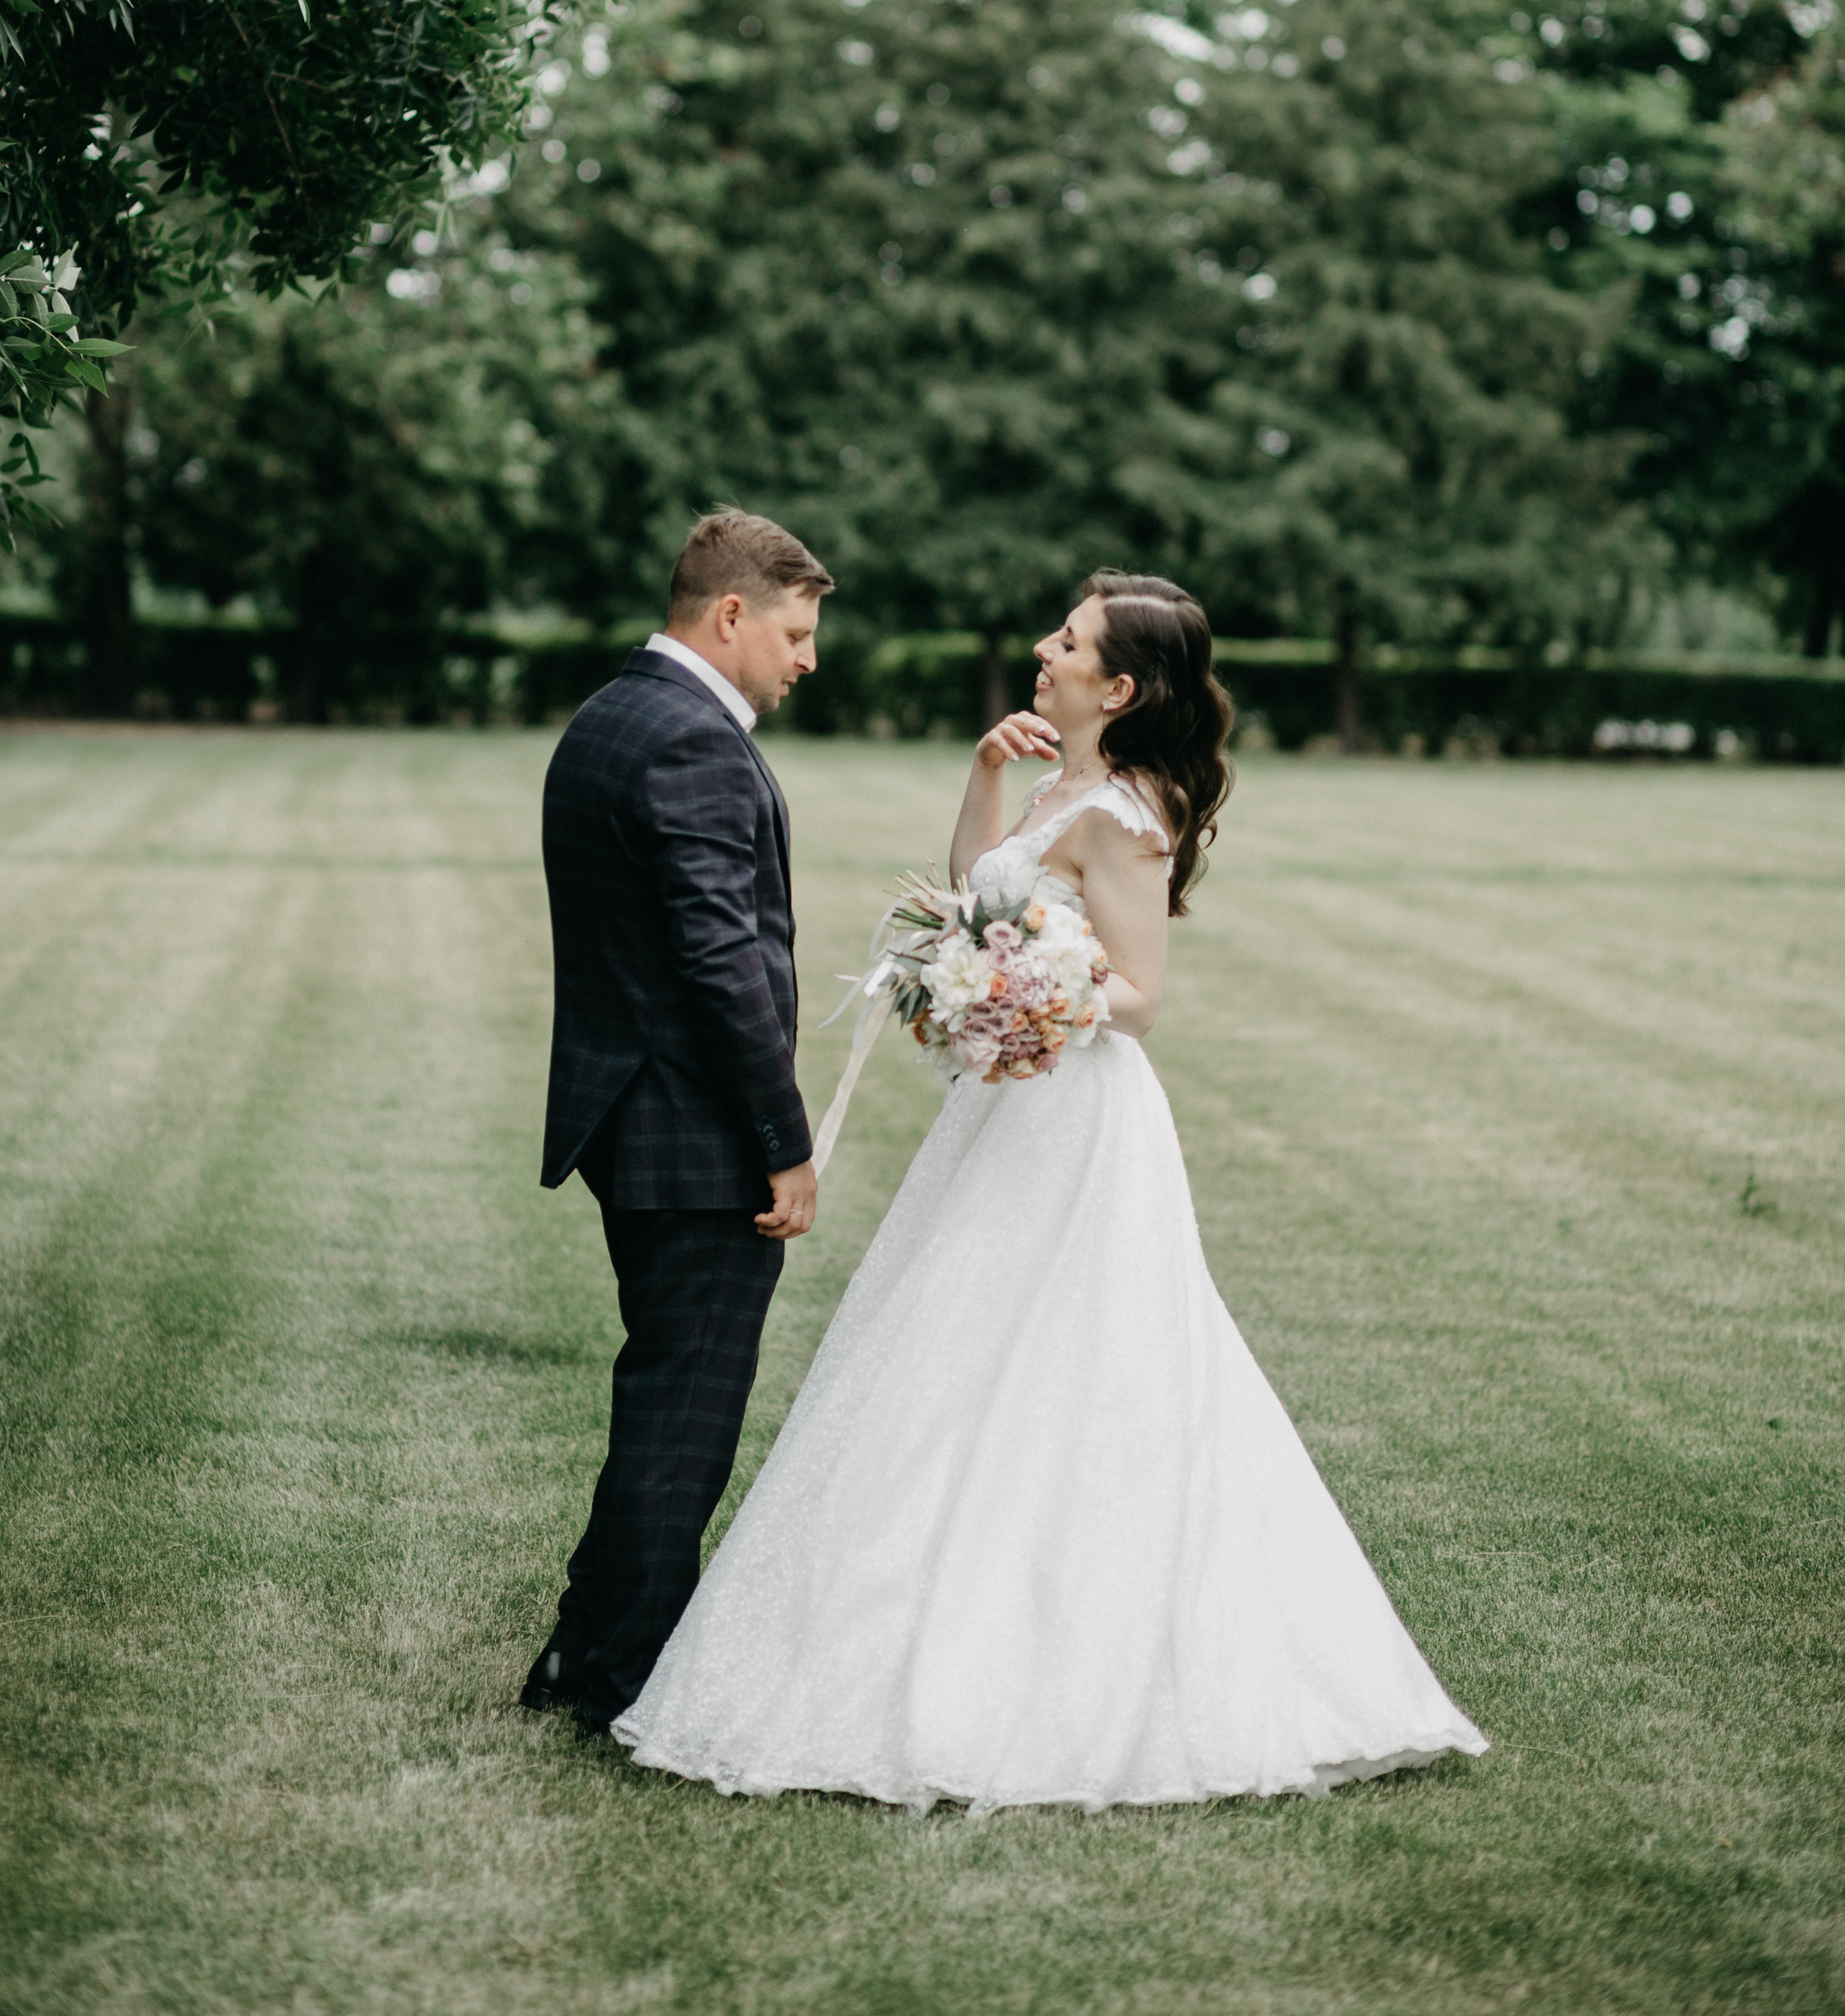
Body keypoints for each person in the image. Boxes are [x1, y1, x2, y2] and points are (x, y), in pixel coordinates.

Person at [611, 572, 1488, 1811]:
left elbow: (1138, 994)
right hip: (1001, 1113)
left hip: (1077, 1120)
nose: (1042, 650)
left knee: (1078, 1366)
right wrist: (982, 785)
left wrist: (1027, 997)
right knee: (946, 1351)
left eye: (1066, 644)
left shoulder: (1130, 812)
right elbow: (975, 893)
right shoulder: (1055, 786)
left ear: (1117, 688)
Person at [524, 510, 834, 1737]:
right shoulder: (693, 744)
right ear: (731, 616)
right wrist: (785, 1142)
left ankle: (578, 1646)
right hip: (692, 1135)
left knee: (661, 1393)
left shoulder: (613, 715)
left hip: (630, 1114)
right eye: (798, 634)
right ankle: (626, 1686)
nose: (807, 659)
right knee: (684, 1419)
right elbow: (721, 966)